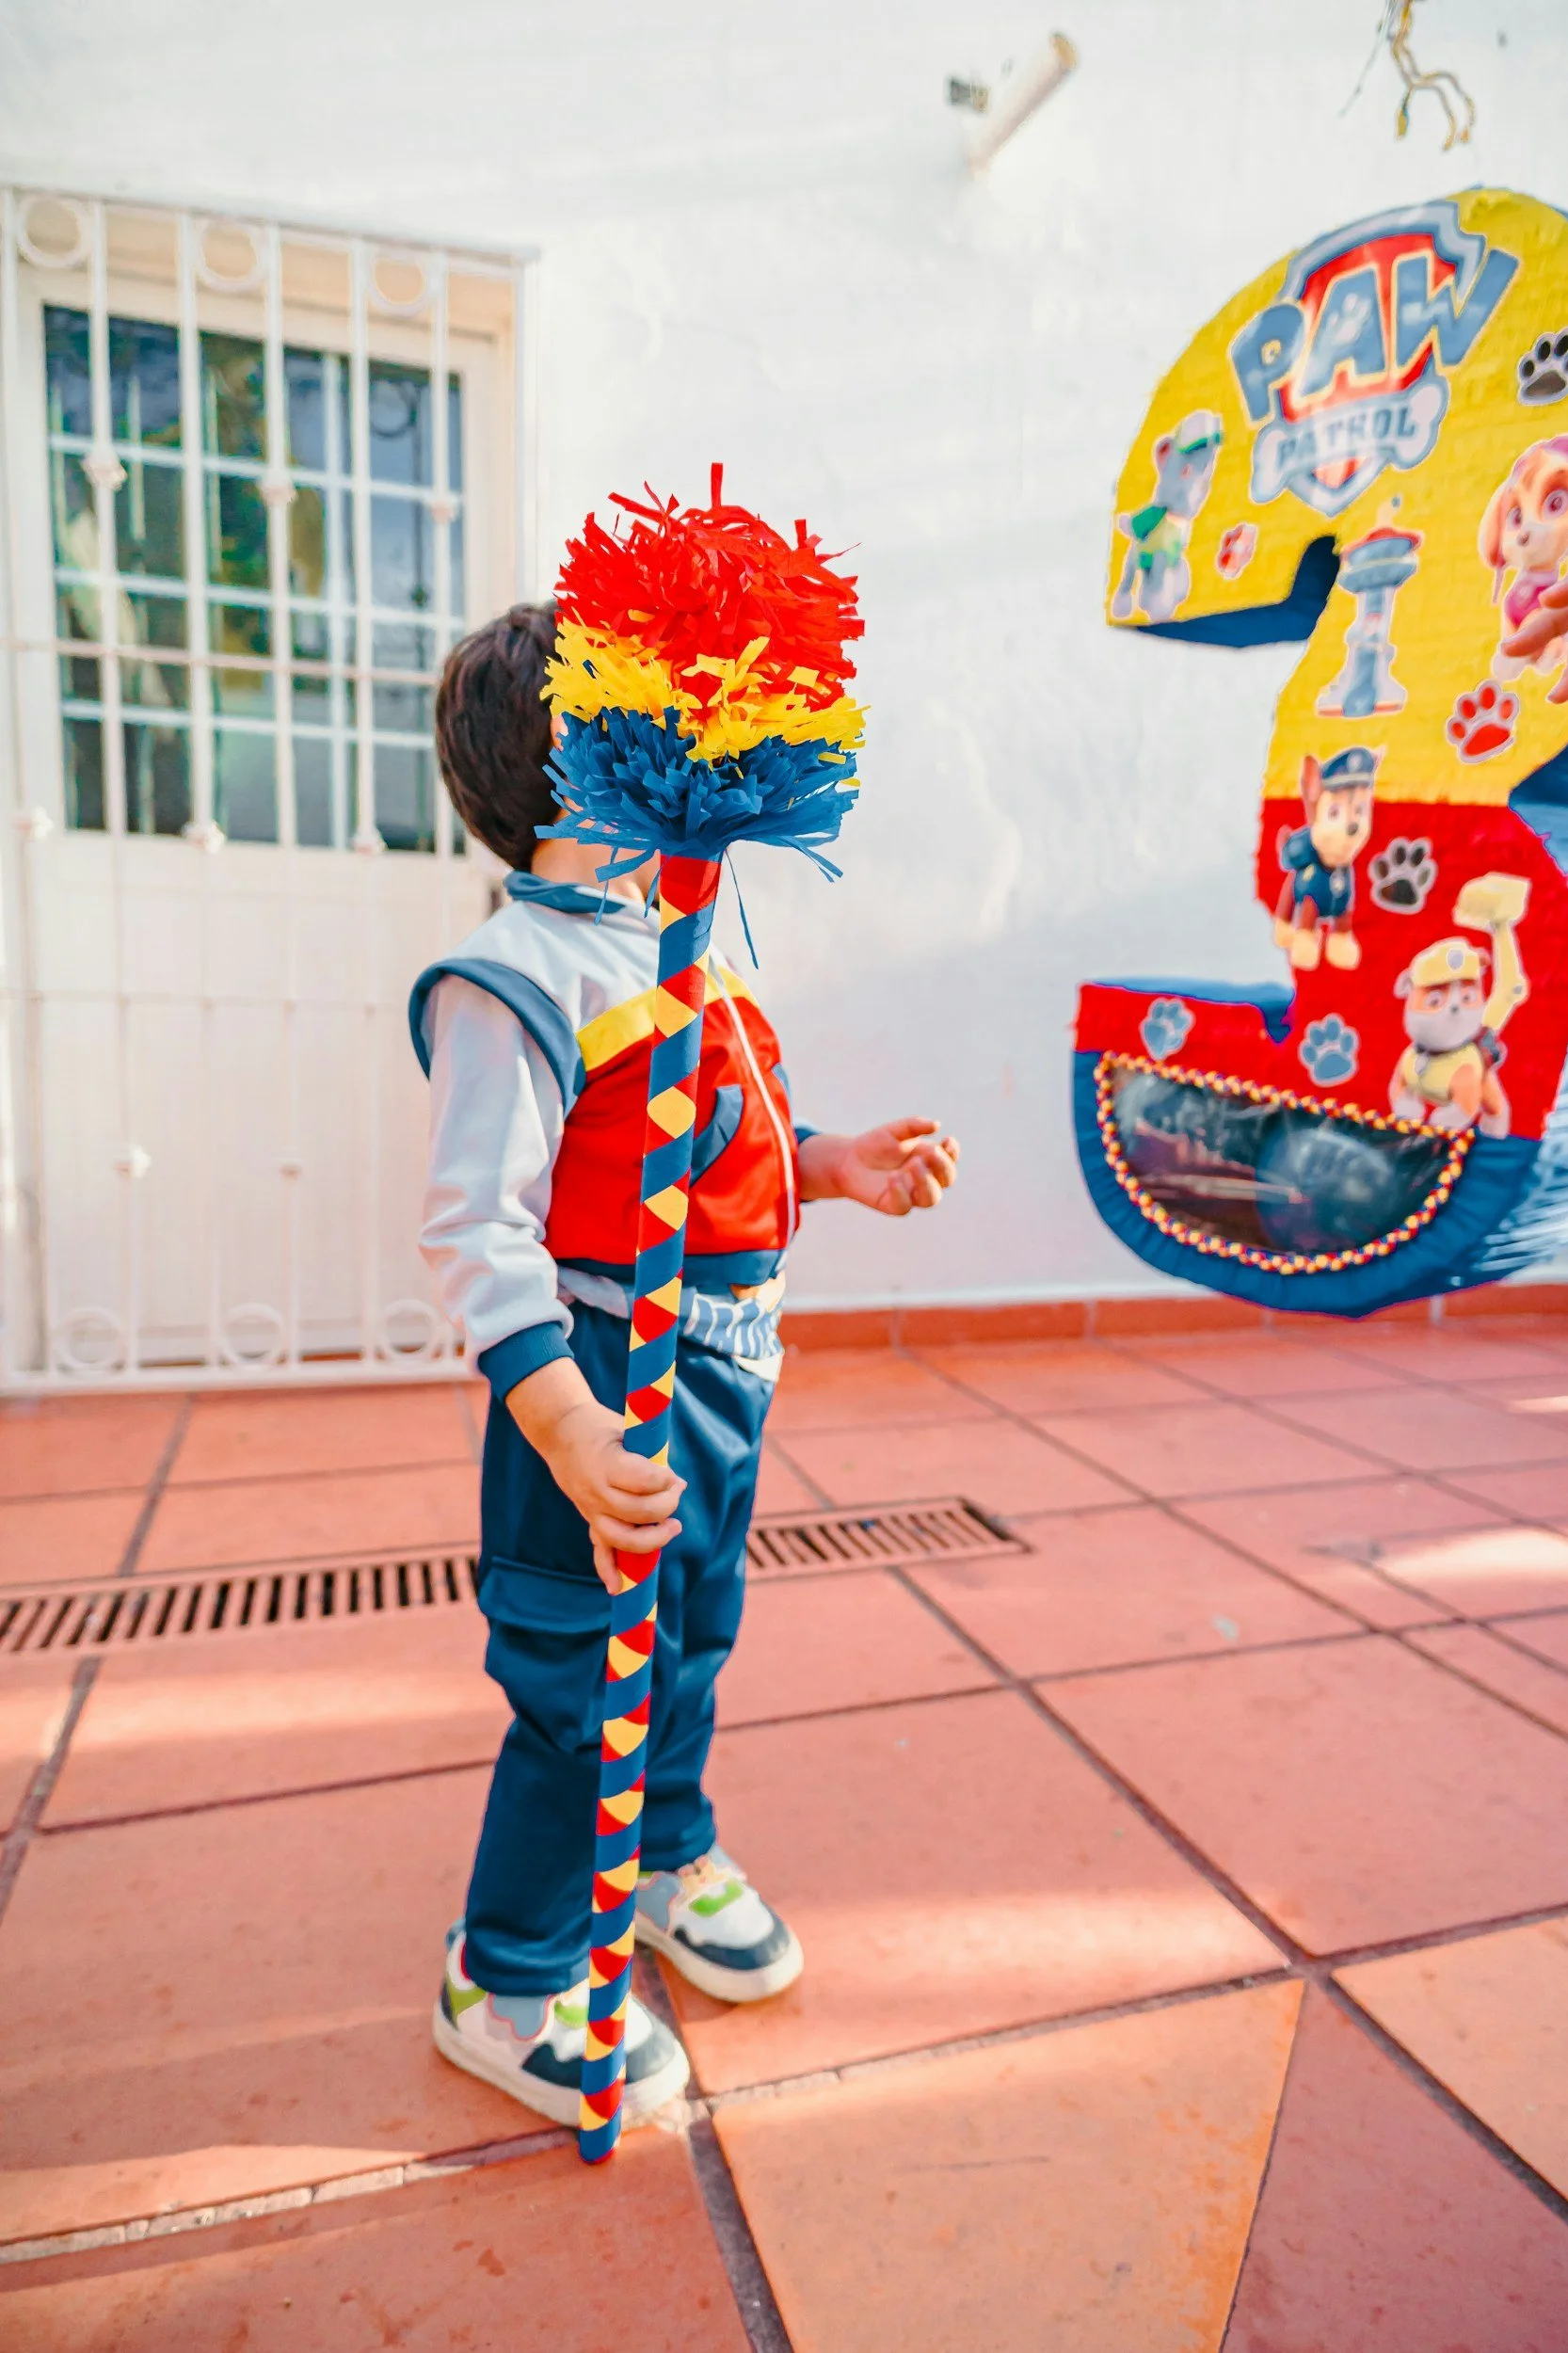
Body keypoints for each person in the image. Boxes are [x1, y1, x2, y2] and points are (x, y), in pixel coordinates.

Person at [409, 603, 960, 2125]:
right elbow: (473, 1228)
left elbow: (721, 1143)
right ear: (581, 776)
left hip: (720, 1374)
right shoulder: (513, 973)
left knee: (692, 1636)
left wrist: (835, 1164)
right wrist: (567, 1423)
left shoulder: (690, 939)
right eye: (663, 731)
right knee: (576, 1677)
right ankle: (506, 1973)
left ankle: (657, 1854)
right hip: (590, 1378)